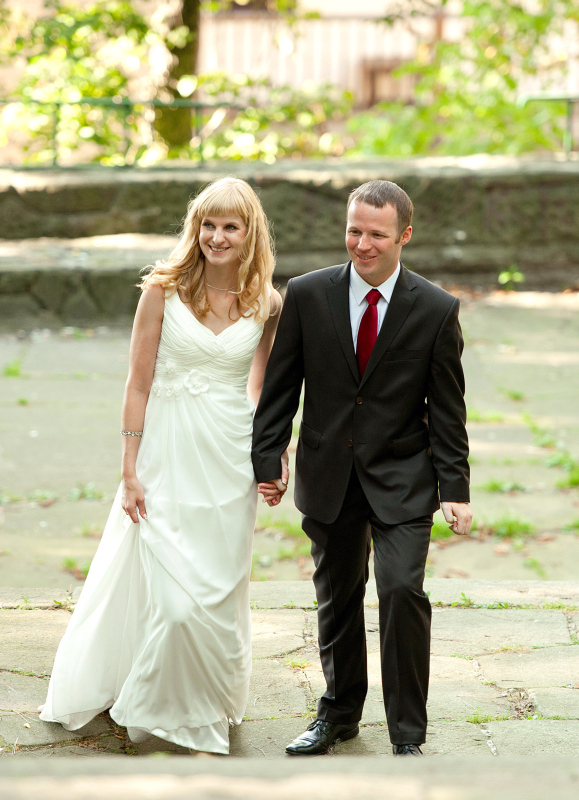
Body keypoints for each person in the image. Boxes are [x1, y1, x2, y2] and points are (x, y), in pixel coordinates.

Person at [40, 177, 285, 755]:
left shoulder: (268, 303)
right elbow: (137, 382)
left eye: (230, 226)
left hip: (229, 457)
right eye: (208, 225)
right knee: (175, 600)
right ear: (195, 228)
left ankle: (206, 701)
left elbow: (260, 386)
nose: (217, 237)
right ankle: (157, 703)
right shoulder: (162, 290)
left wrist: (271, 454)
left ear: (250, 233)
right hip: (166, 454)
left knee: (219, 592)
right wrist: (129, 468)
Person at [252, 180, 472, 757]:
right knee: (338, 599)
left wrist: (455, 487)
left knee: (401, 590)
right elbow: (280, 387)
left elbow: (447, 409)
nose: (363, 244)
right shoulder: (307, 294)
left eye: (377, 234)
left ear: (404, 235)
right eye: (354, 231)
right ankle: (338, 715)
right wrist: (268, 457)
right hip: (329, 475)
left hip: (404, 477)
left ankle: (407, 733)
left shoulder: (436, 308)